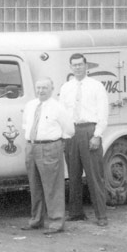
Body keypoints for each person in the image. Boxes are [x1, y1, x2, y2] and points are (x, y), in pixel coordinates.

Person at [59, 53, 111, 227]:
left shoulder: (96, 86)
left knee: (94, 176)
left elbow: (103, 112)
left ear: (86, 66)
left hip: (89, 130)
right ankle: (75, 213)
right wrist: (64, 135)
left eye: (80, 64)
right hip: (72, 132)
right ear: (70, 67)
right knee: (73, 175)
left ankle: (101, 215)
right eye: (74, 65)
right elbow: (62, 113)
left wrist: (97, 135)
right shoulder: (66, 87)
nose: (77, 68)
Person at [21, 77, 74, 235]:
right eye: (38, 88)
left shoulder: (58, 108)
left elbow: (69, 130)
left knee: (52, 186)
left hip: (50, 147)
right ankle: (36, 220)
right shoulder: (30, 105)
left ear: (52, 89)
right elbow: (25, 124)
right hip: (32, 146)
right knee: (35, 185)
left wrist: (54, 143)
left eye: (44, 88)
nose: (41, 91)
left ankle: (56, 222)